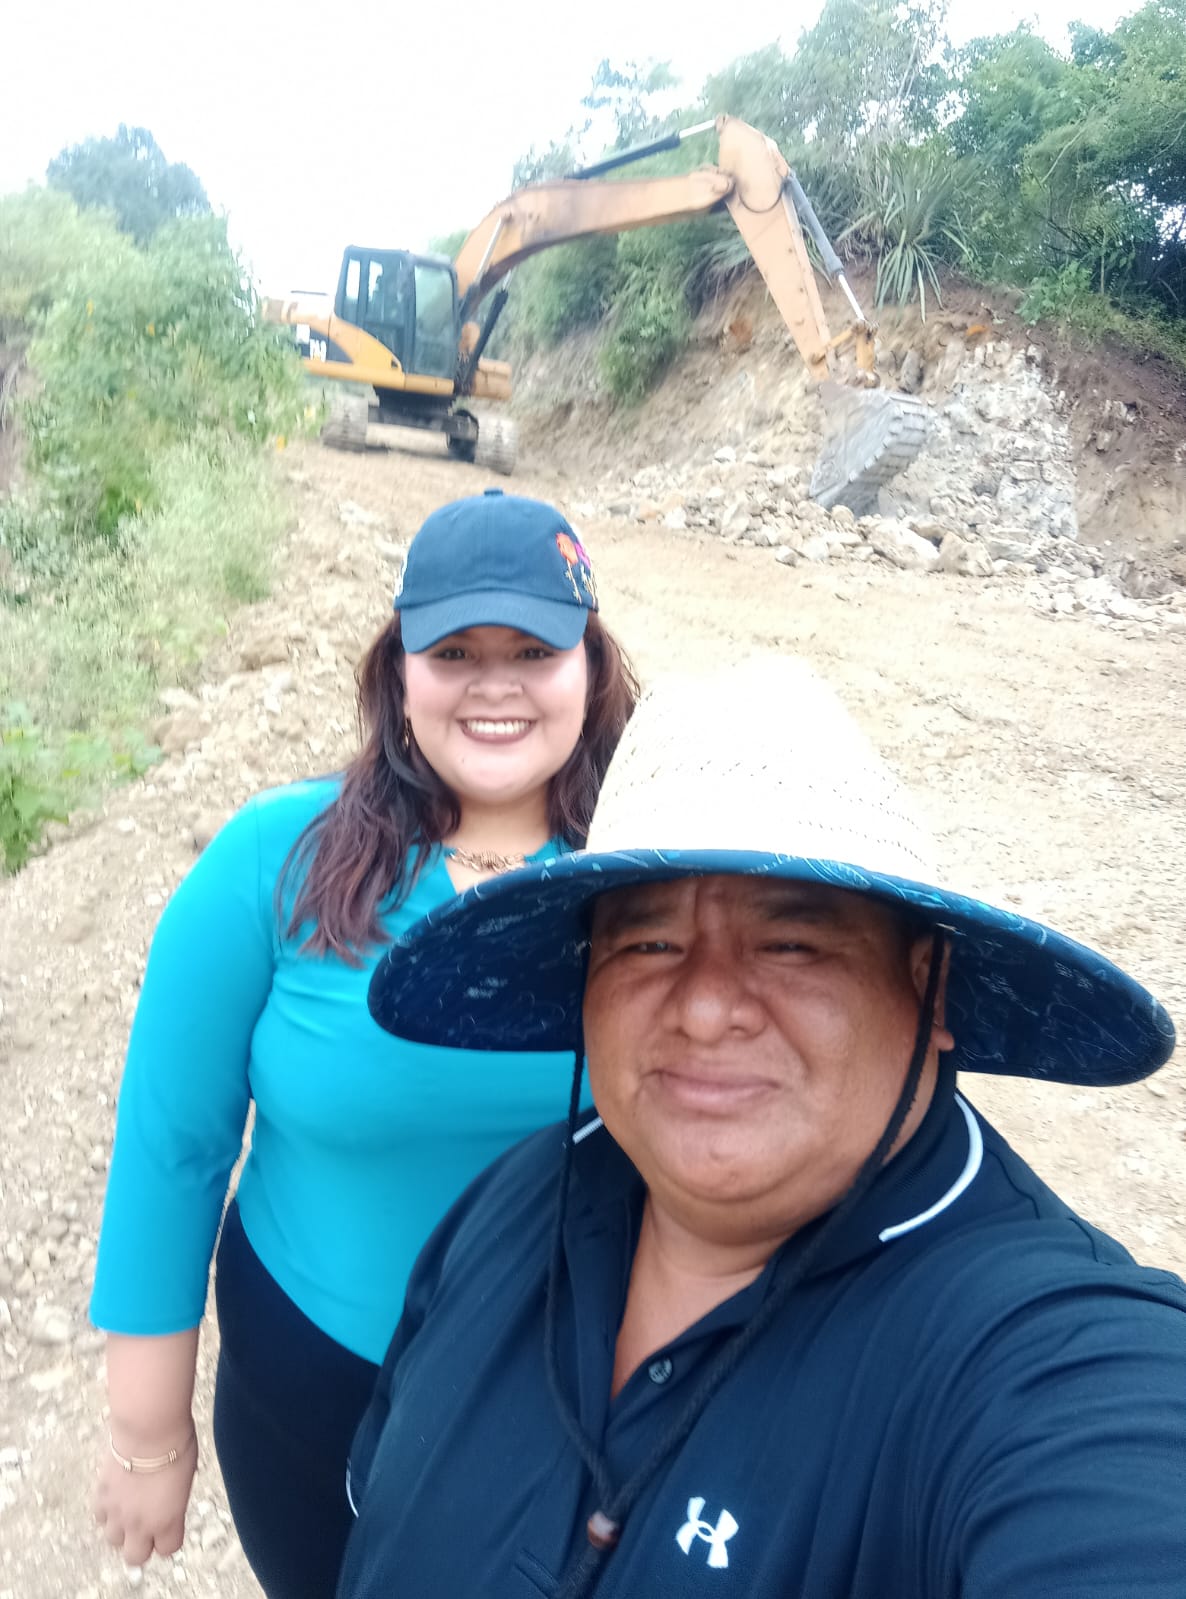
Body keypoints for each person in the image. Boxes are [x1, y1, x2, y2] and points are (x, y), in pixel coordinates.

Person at [340, 657, 1185, 1599]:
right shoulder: (512, 1201)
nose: (705, 1009)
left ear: (930, 985)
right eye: (649, 941)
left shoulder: (1053, 1359)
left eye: (792, 942)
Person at [89, 489, 639, 1599]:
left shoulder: (656, 870)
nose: (494, 684)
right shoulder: (275, 859)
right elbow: (174, 1146)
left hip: (577, 1407)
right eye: (455, 652)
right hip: (309, 1398)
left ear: (590, 667)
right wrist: (147, 1433)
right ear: (399, 671)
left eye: (534, 651)